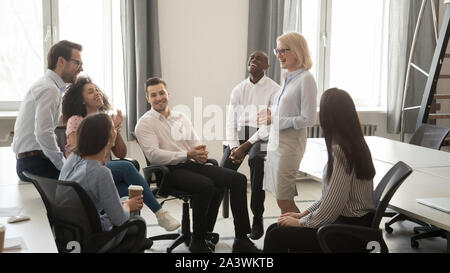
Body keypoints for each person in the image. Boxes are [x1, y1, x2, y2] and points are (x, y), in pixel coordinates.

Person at [135, 77, 260, 253]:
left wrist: (199, 154)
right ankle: (198, 241)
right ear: (148, 98)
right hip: (167, 172)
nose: (158, 98)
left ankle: (241, 239)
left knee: (238, 179)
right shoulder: (145, 123)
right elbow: (154, 155)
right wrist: (187, 154)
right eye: (153, 95)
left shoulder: (180, 116)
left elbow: (195, 143)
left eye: (161, 92)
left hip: (190, 165)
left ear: (168, 93)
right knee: (206, 186)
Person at [263, 88, 376, 252]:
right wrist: (304, 214)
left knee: (276, 235)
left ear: (328, 117)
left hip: (347, 232)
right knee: (275, 228)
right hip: (354, 224)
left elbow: (334, 204)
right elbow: (329, 196)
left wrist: (302, 223)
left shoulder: (340, 151)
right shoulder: (355, 144)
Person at [61, 76, 180, 232]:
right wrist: (109, 133)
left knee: (131, 190)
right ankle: (154, 217)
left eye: (97, 89)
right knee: (126, 168)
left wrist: (114, 130)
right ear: (82, 99)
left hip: (85, 210)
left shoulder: (104, 121)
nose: (97, 93)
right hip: (90, 178)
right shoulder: (78, 121)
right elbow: (85, 151)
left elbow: (121, 153)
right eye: (91, 91)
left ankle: (136, 236)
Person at [59, 113, 152, 252]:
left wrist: (125, 203)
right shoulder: (100, 172)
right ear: (107, 138)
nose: (115, 131)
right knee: (138, 221)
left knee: (126, 200)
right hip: (93, 238)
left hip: (71, 234)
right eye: (113, 128)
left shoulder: (73, 159)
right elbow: (119, 220)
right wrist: (129, 206)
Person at [221, 50, 280, 240]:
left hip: (262, 135)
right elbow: (231, 122)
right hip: (240, 133)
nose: (254, 60)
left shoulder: (275, 89)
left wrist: (245, 146)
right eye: (252, 57)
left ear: (267, 66)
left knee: (256, 160)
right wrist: (233, 147)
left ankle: (258, 217)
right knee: (223, 170)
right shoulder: (238, 89)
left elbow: (267, 127)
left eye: (259, 59)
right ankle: (206, 224)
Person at [262, 32, 317, 214]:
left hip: (290, 146)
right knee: (281, 198)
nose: (279, 55)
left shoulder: (306, 79)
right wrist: (272, 114)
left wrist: (275, 119)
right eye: (277, 51)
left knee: (283, 200)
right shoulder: (287, 78)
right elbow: (286, 111)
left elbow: (308, 119)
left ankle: (302, 236)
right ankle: (290, 237)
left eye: (283, 50)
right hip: (276, 143)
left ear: (297, 51)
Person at [12, 40, 83, 182]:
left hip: (30, 162)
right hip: (35, 164)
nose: (81, 69)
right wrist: (63, 166)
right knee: (89, 180)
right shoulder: (50, 89)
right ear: (61, 61)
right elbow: (43, 133)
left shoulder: (47, 85)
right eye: (77, 63)